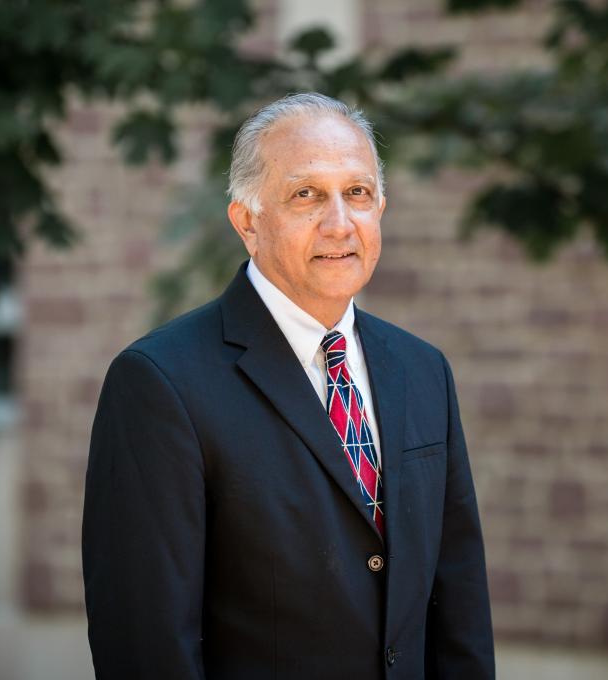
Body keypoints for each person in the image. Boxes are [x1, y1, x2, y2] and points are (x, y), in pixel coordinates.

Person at [82, 92, 494, 679]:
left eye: (357, 193)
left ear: (381, 207)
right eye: (306, 195)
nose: (339, 223)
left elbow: (461, 600)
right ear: (247, 221)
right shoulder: (159, 383)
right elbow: (145, 642)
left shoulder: (422, 369)